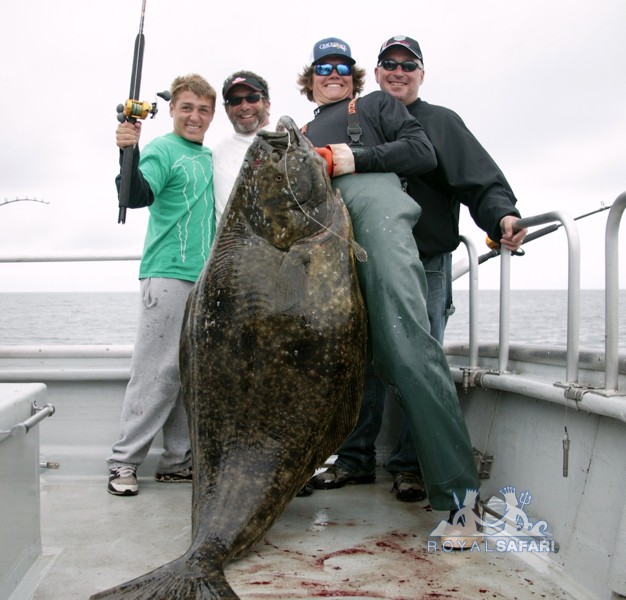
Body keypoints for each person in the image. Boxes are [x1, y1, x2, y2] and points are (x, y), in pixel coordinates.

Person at [310, 36, 527, 503]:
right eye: (389, 63)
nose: (398, 71)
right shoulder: (362, 118)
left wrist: (503, 217)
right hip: (357, 266)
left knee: (417, 354)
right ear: (376, 72)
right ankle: (353, 457)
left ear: (421, 74)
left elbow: (480, 179)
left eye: (408, 65)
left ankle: (411, 466)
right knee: (361, 362)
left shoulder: (440, 123)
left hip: (427, 263)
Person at [297, 37, 482, 542]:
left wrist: (352, 158)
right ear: (309, 79)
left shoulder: (377, 105)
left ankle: (461, 507)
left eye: (342, 66)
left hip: (377, 226)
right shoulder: (300, 133)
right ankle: (316, 466)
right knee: (326, 363)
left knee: (409, 350)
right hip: (328, 254)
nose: (333, 74)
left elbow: (421, 152)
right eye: (322, 67)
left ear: (356, 77)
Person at [107, 74, 217, 496]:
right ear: (171, 109)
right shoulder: (162, 149)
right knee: (157, 372)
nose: (195, 116)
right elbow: (135, 194)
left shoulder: (208, 156)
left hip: (206, 282)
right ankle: (123, 463)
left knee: (189, 374)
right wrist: (128, 150)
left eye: (203, 109)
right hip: (169, 274)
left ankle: (177, 462)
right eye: (187, 107)